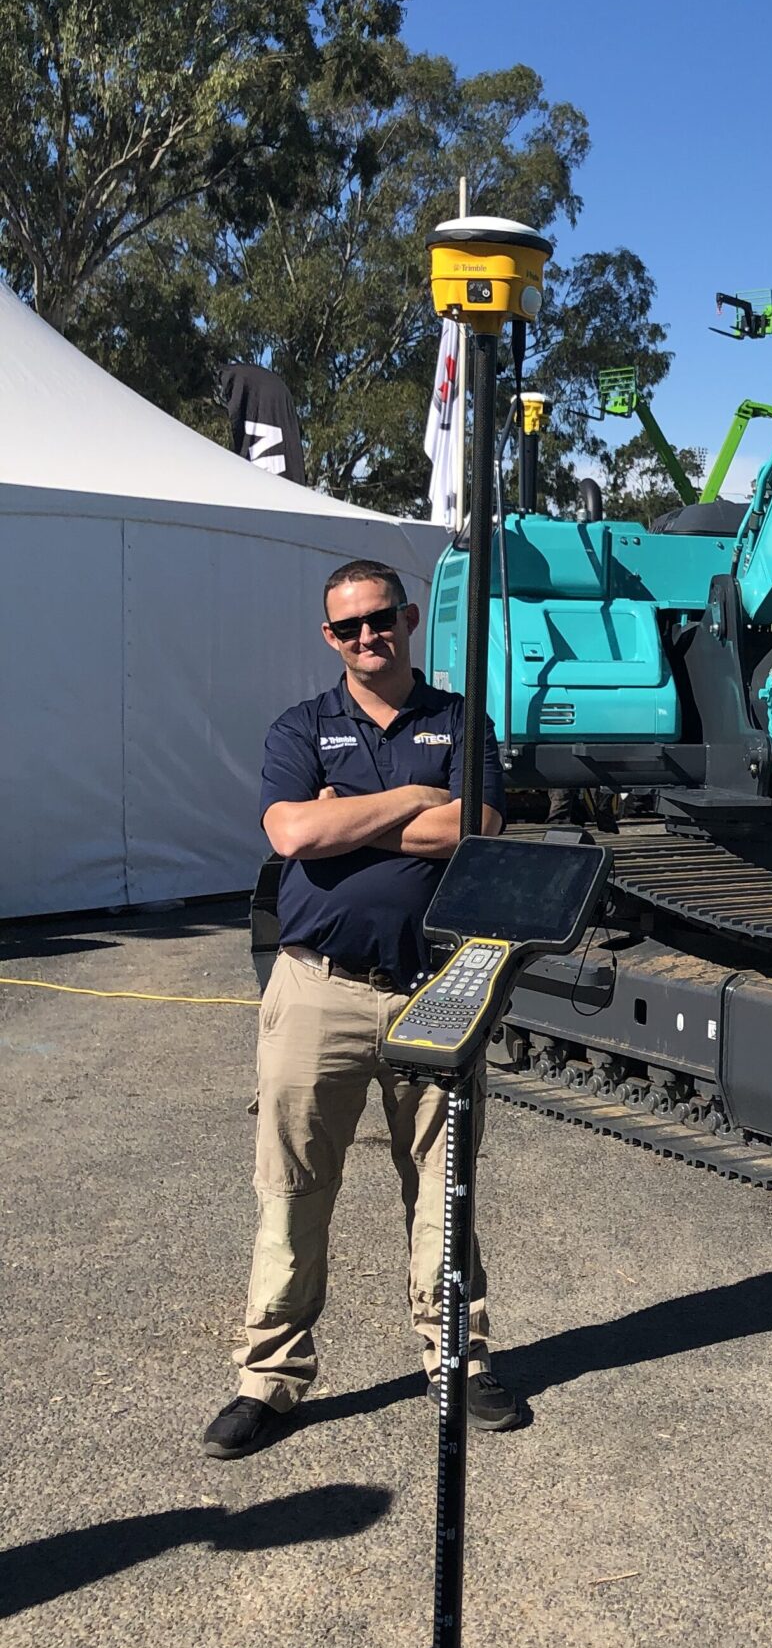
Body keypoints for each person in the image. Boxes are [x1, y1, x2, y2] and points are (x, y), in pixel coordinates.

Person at [202, 560, 514, 1458]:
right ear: (329, 637)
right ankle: (269, 1377)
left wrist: (354, 815)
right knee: (293, 1187)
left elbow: (477, 827)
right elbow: (293, 832)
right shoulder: (301, 727)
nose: (367, 637)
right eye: (348, 627)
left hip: (436, 987)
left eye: (380, 618)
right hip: (318, 989)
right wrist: (415, 800)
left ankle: (457, 1359)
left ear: (409, 618)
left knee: (445, 1190)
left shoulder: (461, 719)